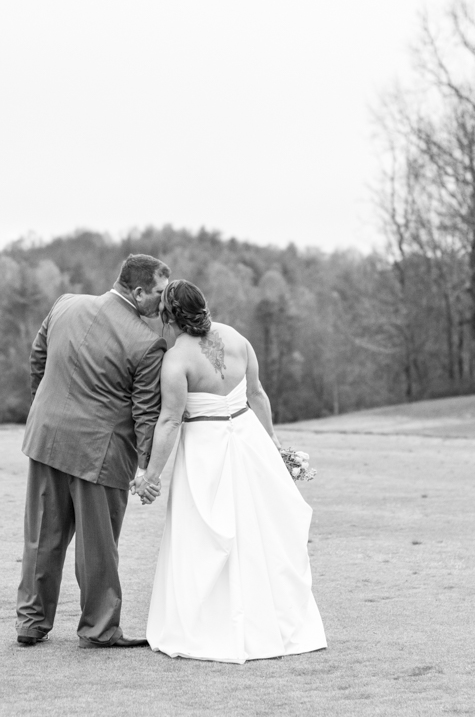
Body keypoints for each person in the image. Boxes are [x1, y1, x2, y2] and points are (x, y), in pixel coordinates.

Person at [137, 279, 327, 663]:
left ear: (169, 316)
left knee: (205, 533)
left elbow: (170, 422)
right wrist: (272, 444)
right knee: (258, 532)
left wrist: (151, 476)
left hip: (206, 451)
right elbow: (256, 394)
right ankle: (269, 624)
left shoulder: (176, 360)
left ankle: (210, 627)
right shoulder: (237, 339)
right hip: (249, 441)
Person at [15, 254, 169, 648]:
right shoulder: (148, 343)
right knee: (97, 546)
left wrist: (45, 410)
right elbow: (146, 413)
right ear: (137, 291)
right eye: (158, 293)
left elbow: (38, 360)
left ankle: (31, 623)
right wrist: (147, 467)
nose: (162, 304)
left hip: (46, 438)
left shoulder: (66, 303)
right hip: (100, 454)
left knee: (42, 536)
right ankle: (99, 628)